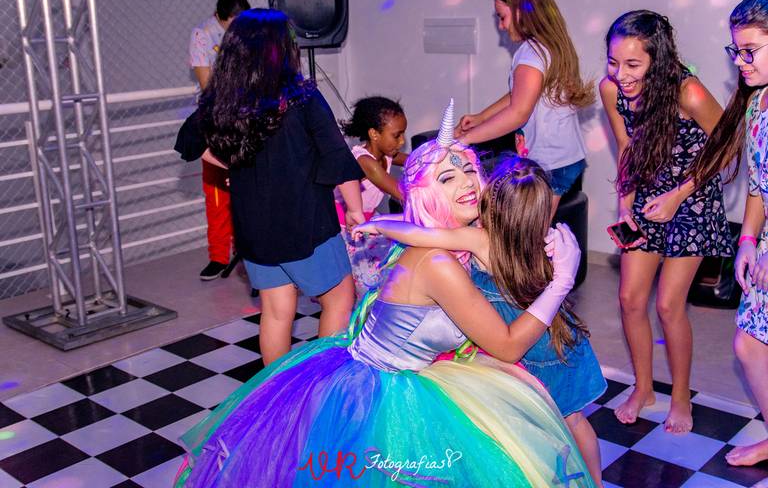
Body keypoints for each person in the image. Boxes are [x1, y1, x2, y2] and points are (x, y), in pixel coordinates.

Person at [173, 103, 595, 487]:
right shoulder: (438, 264)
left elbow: (430, 233)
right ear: (425, 193)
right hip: (378, 394)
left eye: (469, 170)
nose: (467, 183)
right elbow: (507, 345)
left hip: (410, 374)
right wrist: (561, 281)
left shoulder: (456, 240)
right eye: (447, 177)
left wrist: (377, 224)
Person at [355, 155, 606, 486]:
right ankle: (594, 482)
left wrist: (378, 224)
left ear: (489, 201)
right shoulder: (545, 242)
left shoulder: (481, 239)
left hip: (528, 347)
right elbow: (427, 230)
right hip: (555, 341)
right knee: (572, 422)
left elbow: (421, 233)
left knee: (547, 430)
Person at [177, 9, 365, 366]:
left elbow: (189, 140)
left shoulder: (224, 102)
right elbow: (336, 156)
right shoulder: (303, 98)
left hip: (254, 230)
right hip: (307, 224)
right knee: (339, 298)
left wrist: (232, 163)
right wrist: (355, 210)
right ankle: (323, 381)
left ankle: (276, 388)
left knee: (277, 311)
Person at [599, 10, 731, 433]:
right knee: (629, 299)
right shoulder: (611, 90)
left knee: (669, 305)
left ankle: (679, 397)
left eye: (633, 64)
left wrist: (678, 195)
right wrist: (625, 206)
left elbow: (727, 147)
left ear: (658, 60)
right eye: (613, 62)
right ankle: (643, 388)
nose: (620, 74)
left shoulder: (688, 92)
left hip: (692, 197)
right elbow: (627, 148)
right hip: (646, 195)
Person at [688, 0, 768, 468]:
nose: (739, 61)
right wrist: (748, 241)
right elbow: (760, 186)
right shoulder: (758, 106)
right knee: (750, 345)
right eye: (735, 50)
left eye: (750, 50)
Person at [455, 0, 593, 217]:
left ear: (521, 12)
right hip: (565, 157)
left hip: (550, 162)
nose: (501, 26)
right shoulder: (549, 46)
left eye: (502, 17)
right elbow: (520, 95)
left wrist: (466, 140)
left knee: (530, 233)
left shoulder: (531, 53)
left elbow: (519, 112)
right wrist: (481, 117)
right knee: (530, 228)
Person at [188, 0, 250, 280]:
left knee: (248, 188)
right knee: (216, 194)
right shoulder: (202, 35)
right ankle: (218, 256)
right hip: (217, 121)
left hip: (245, 119)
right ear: (222, 16)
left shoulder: (246, 34)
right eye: (234, 21)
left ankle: (247, 249)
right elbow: (206, 85)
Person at [335, 96, 409, 296]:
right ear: (374, 134)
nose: (402, 141)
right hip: (346, 227)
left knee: (390, 269)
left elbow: (416, 159)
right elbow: (400, 192)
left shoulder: (387, 154)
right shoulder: (364, 161)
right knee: (367, 286)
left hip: (368, 219)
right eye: (397, 135)